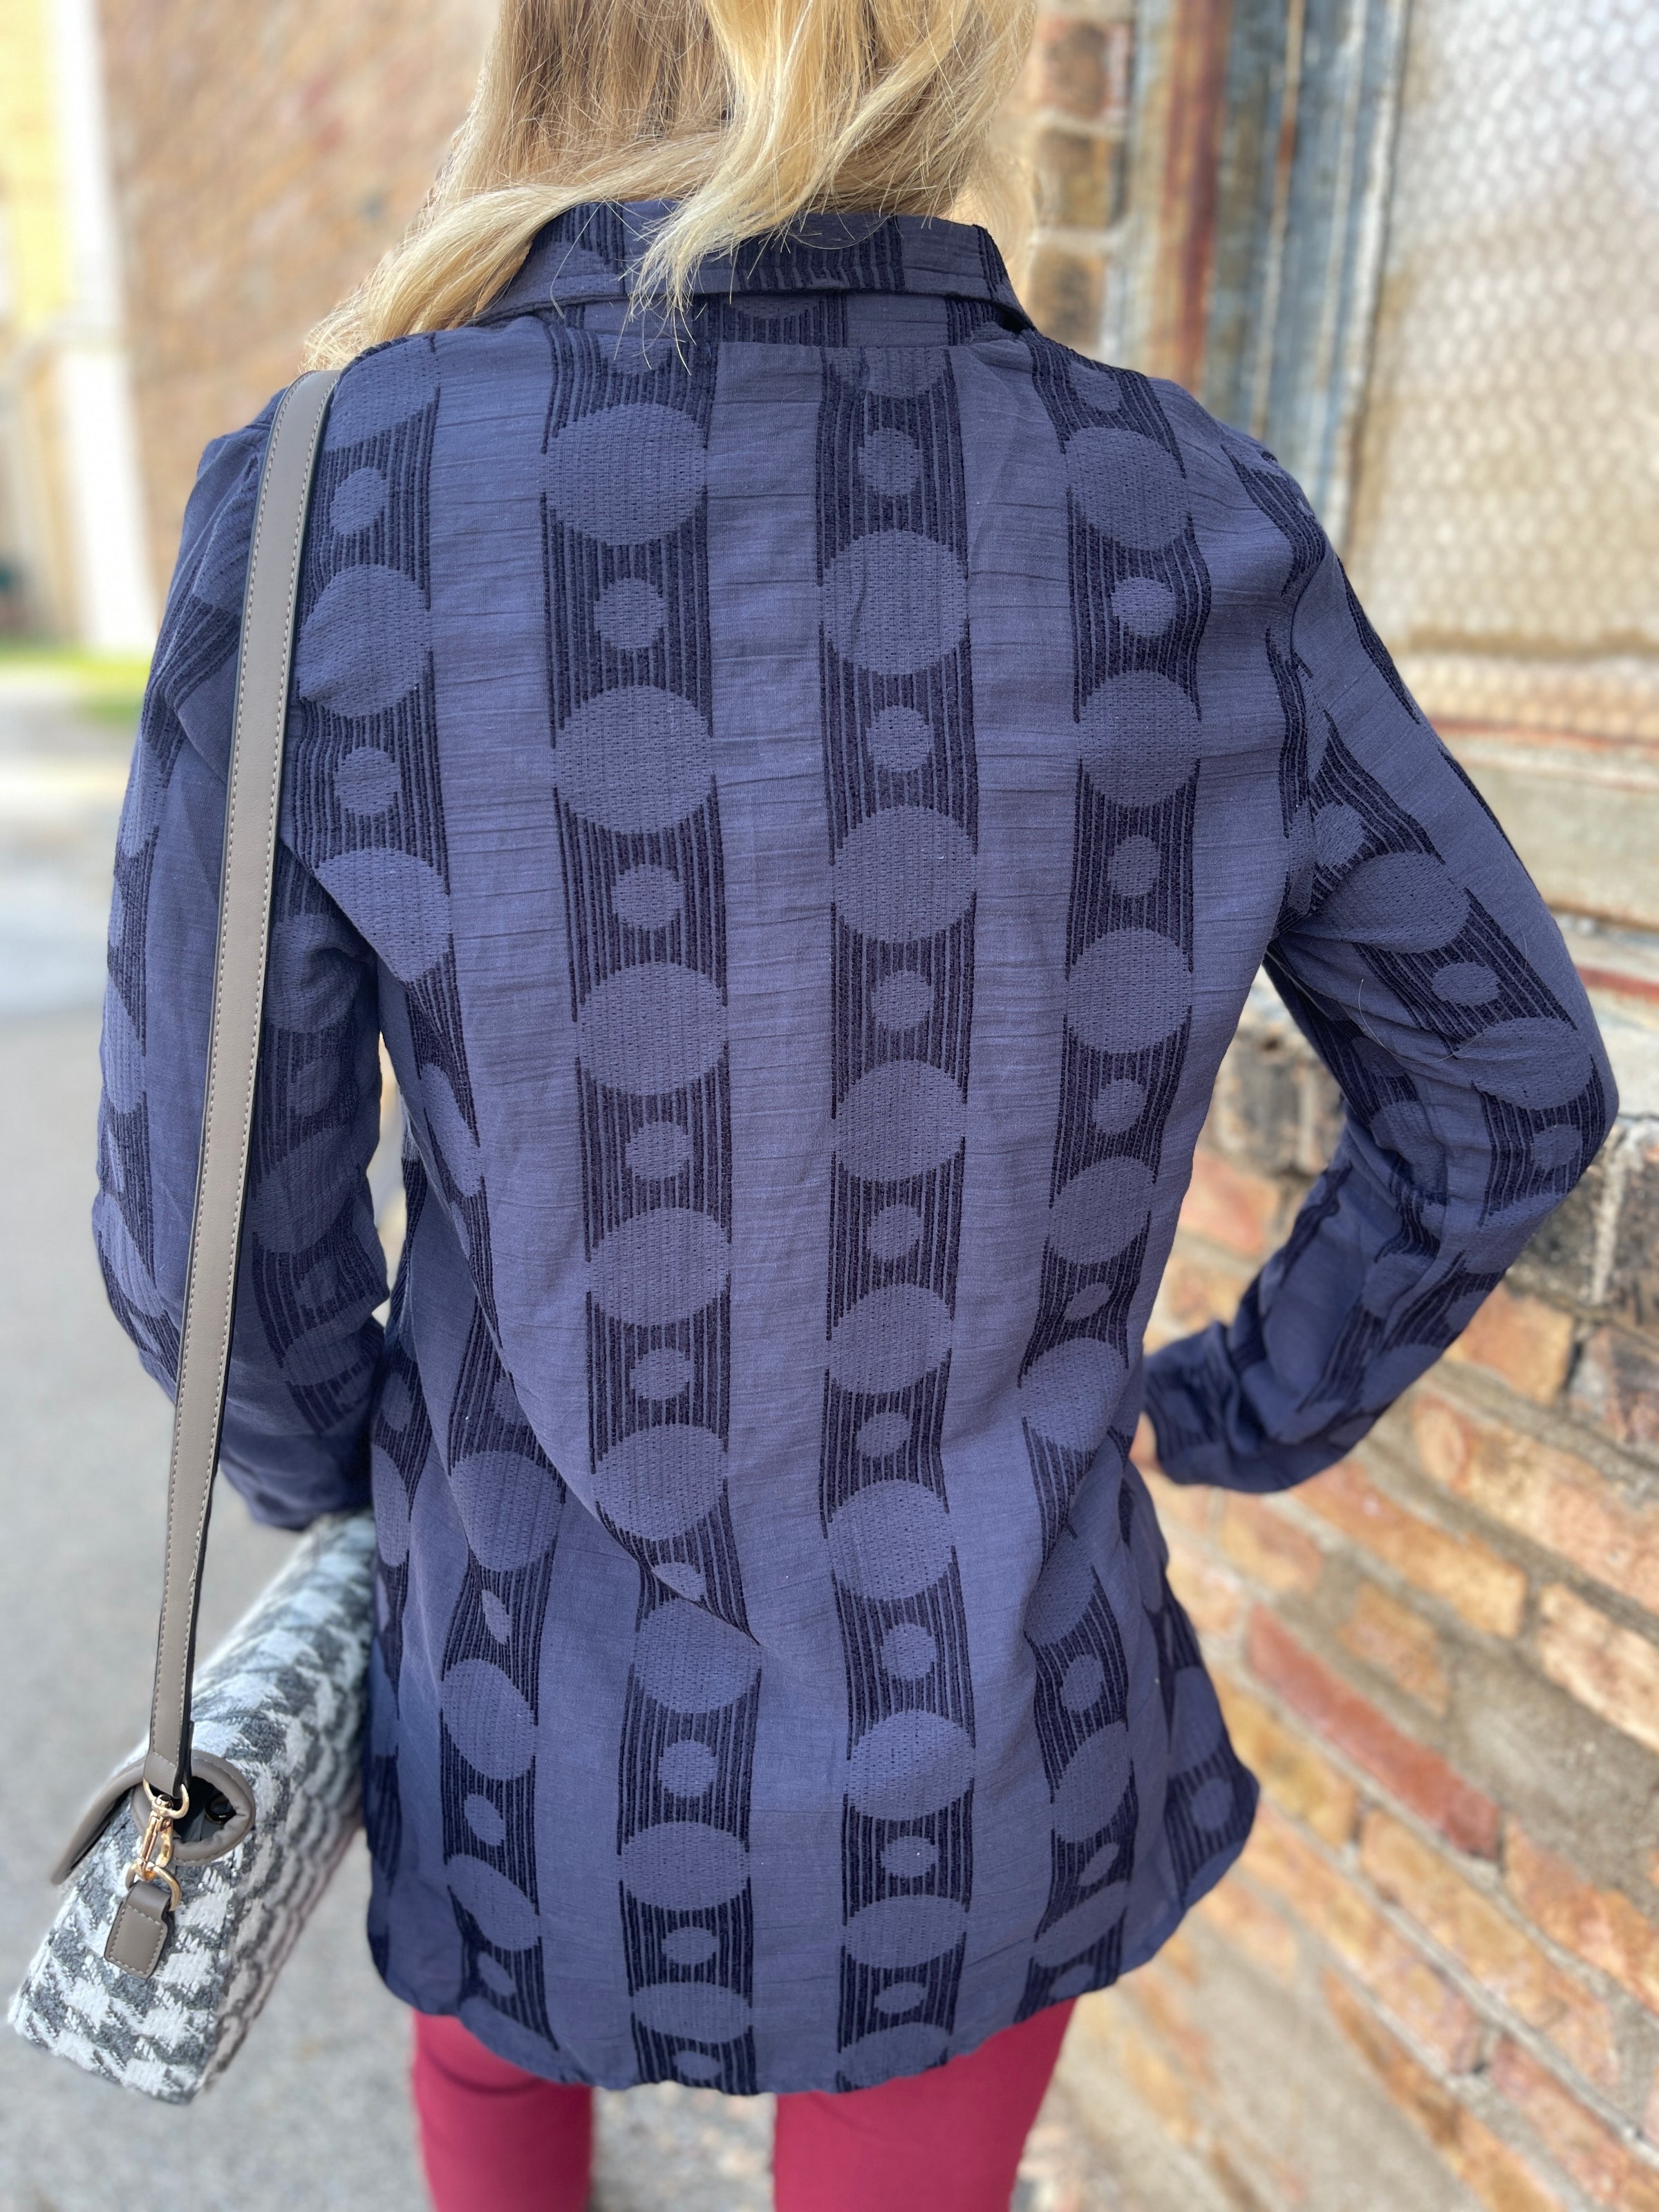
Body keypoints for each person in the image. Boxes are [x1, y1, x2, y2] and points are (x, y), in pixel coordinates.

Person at [93, 0, 1616, 2204]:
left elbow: (208, 1233)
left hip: (527, 1694)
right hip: (983, 1742)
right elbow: (1506, 1077)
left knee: (497, 2077)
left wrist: (356, 1479)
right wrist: (1235, 1406)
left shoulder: (339, 507)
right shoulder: (1185, 516)